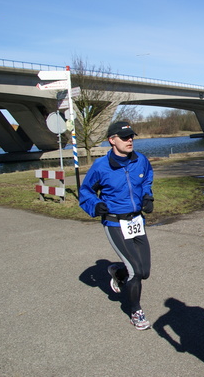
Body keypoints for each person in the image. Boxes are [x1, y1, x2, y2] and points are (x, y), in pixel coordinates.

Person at [79, 121, 155, 330]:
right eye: (124, 137)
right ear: (112, 140)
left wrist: (148, 196)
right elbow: (85, 191)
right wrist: (96, 205)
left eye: (131, 136)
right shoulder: (100, 167)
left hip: (136, 221)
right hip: (114, 221)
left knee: (144, 271)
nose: (130, 140)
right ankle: (136, 311)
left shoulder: (140, 160)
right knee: (135, 272)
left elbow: (147, 177)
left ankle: (117, 272)